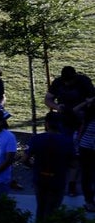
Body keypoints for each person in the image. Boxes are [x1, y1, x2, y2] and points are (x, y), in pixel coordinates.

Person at [44, 65, 94, 197]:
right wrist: (57, 107)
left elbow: (91, 100)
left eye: (69, 81)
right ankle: (58, 181)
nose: (67, 83)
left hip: (82, 121)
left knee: (78, 154)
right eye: (65, 81)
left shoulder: (84, 82)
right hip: (64, 120)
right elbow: (48, 99)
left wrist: (84, 107)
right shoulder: (58, 82)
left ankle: (73, 183)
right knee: (62, 151)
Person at [25, 113, 73, 221]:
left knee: (41, 208)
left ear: (46, 124)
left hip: (40, 179)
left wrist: (33, 166)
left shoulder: (36, 139)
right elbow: (73, 163)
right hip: (57, 181)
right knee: (53, 211)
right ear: (60, 124)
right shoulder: (67, 141)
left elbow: (24, 159)